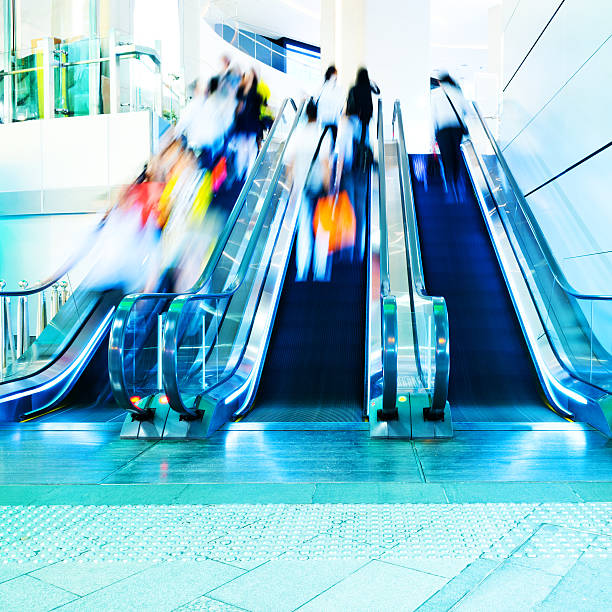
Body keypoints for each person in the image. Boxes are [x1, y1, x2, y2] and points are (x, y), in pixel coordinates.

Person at [285, 98, 331, 282]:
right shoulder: (323, 133)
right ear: (317, 114)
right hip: (319, 186)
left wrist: (291, 187)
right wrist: (330, 187)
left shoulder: (297, 134)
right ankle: (320, 270)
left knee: (304, 226)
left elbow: (290, 162)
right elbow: (326, 164)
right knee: (322, 227)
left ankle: (302, 270)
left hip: (302, 186)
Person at [431, 73, 468, 201]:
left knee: (447, 158)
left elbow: (433, 117)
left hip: (442, 130)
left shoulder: (435, 94)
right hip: (456, 128)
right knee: (456, 155)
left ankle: (450, 186)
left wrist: (432, 136)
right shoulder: (458, 92)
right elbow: (466, 109)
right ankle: (458, 183)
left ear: (441, 82)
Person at [233, 69, 263, 180]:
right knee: (242, 150)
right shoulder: (240, 91)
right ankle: (240, 175)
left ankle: (248, 176)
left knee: (251, 149)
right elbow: (236, 108)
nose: (248, 78)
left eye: (251, 76)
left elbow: (257, 110)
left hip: (251, 125)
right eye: (247, 76)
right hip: (241, 125)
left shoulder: (256, 94)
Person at [347, 67, 380, 151]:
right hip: (366, 115)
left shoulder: (354, 88)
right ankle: (364, 156)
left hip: (356, 115)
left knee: (356, 136)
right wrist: (372, 81)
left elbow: (349, 101)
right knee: (365, 136)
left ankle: (357, 156)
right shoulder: (368, 87)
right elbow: (378, 91)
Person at [317, 65, 345, 149]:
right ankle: (329, 159)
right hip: (333, 119)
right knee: (332, 142)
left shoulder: (322, 87)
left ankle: (322, 158)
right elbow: (341, 103)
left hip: (323, 119)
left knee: (322, 142)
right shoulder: (336, 88)